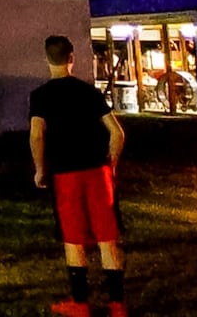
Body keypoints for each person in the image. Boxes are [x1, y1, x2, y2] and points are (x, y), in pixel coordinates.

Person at [31, 35, 128, 317]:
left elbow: (37, 135)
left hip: (65, 175)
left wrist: (39, 169)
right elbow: (117, 133)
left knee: (73, 238)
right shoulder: (89, 93)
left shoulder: (41, 96)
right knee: (107, 238)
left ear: (47, 59)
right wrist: (112, 164)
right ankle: (118, 305)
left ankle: (81, 303)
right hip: (98, 172)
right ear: (71, 58)